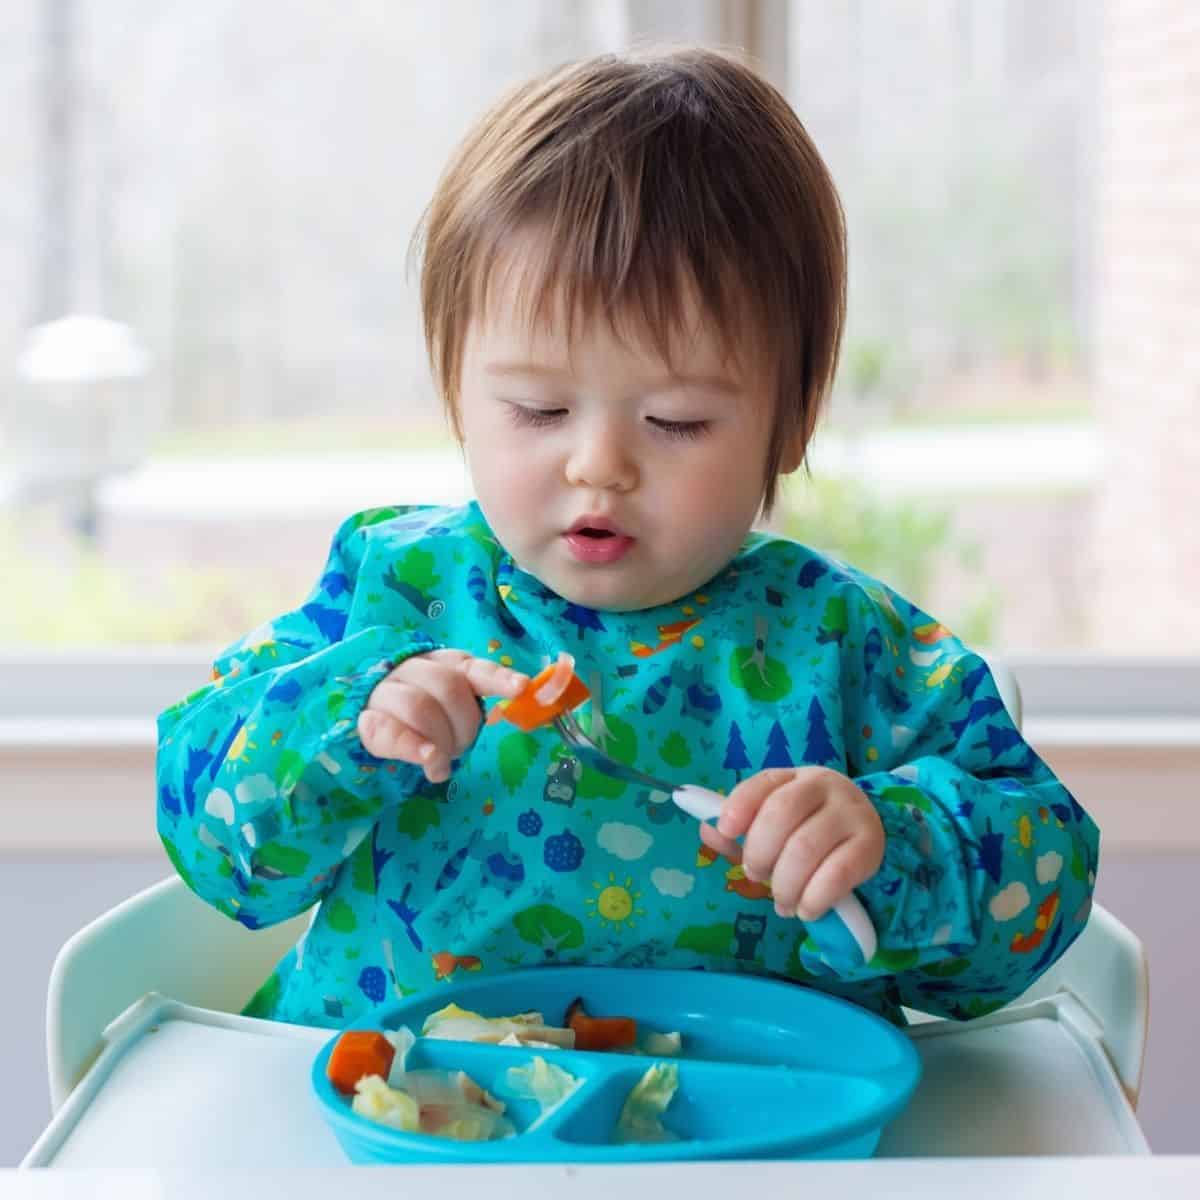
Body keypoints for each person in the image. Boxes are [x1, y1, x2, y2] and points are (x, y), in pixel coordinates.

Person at [157, 46, 1098, 1028]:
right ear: (458, 397)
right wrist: (348, 727)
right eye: (537, 408)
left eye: (678, 422)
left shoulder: (846, 645)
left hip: (754, 1139)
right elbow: (213, 843)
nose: (598, 465)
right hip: (409, 1130)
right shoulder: (398, 590)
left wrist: (892, 841)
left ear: (790, 422)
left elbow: (1046, 883)